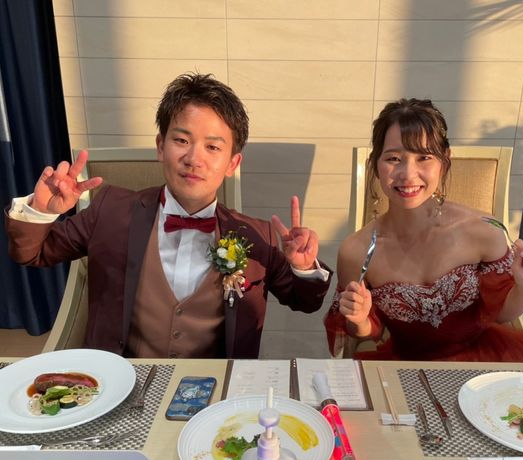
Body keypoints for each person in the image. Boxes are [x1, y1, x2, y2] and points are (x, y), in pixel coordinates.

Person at [5, 73, 331, 359]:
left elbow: (306, 301)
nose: (194, 158)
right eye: (181, 140)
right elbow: (32, 253)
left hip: (216, 393)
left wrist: (303, 267)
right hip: (121, 382)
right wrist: (41, 209)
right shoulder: (110, 210)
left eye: (213, 147)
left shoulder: (257, 236)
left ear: (232, 163)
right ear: (161, 146)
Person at [324, 98, 523, 362]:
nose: (408, 174)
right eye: (394, 158)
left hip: (483, 361)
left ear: (444, 161)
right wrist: (359, 320)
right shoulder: (356, 251)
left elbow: (501, 315)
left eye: (424, 157)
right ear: (376, 165)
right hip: (405, 366)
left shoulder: (483, 230)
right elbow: (368, 333)